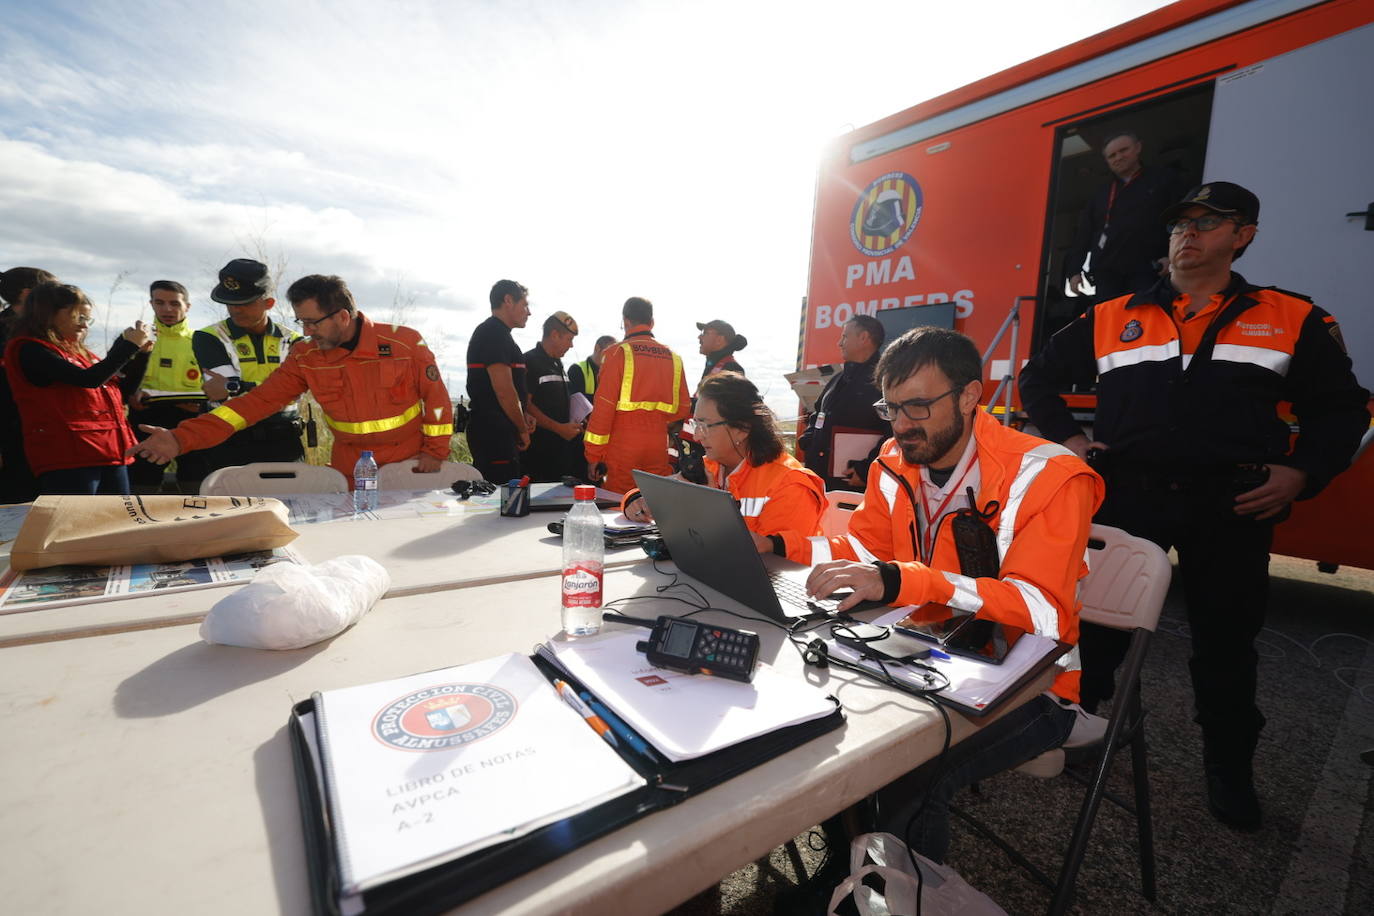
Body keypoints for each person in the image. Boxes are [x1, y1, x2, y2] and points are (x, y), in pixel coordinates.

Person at [1020, 180, 1370, 831]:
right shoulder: (1113, 313)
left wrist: (1302, 472)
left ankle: (1229, 772)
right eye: (1182, 220)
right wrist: (1069, 437)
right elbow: (1036, 375)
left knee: (1226, 648)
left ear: (1244, 236)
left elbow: (1343, 409)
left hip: (1231, 505)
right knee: (1093, 632)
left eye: (1211, 221)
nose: (1190, 231)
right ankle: (1076, 732)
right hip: (1128, 496)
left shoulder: (1292, 317)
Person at [804, 326, 1103, 862]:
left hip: (1036, 683)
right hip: (925, 655)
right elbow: (862, 548)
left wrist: (906, 580)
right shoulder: (894, 459)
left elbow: (1044, 615)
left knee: (901, 772)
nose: (899, 426)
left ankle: (887, 893)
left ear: (969, 396)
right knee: (821, 730)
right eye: (890, 407)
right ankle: (848, 875)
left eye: (917, 406)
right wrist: (795, 555)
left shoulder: (1050, 476)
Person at [133, 274, 454, 484]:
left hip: (412, 466)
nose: (306, 332)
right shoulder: (305, 356)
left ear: (343, 316)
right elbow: (253, 405)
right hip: (349, 471)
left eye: (313, 323)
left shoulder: (404, 344)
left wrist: (435, 452)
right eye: (302, 322)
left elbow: (437, 401)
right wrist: (182, 438)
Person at [623, 371, 826, 562]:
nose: (697, 436)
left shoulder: (791, 485)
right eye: (696, 424)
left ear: (742, 428)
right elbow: (657, 490)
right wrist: (635, 501)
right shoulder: (709, 467)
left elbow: (776, 564)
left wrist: (711, 509)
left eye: (705, 425)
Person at [4, 282, 153, 495]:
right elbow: (89, 379)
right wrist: (127, 347)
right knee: (75, 525)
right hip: (68, 457)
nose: (84, 326)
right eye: (79, 317)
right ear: (48, 314)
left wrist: (140, 355)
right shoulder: (30, 349)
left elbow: (124, 391)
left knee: (117, 522)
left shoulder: (83, 356)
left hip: (110, 451)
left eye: (87, 319)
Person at [193, 259, 305, 472]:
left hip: (285, 442)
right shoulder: (207, 337)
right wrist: (280, 390)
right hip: (229, 440)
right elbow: (222, 394)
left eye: (245, 302)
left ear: (269, 303)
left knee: (287, 505)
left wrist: (236, 386)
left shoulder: (296, 341)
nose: (235, 310)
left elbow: (296, 392)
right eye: (229, 302)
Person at [584, 297, 691, 494]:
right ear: (651, 322)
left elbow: (603, 410)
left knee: (620, 503)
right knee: (655, 501)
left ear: (625, 322)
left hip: (622, 444)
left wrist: (594, 455)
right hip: (658, 442)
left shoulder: (616, 353)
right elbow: (683, 407)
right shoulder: (674, 358)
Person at [1065, 131, 1183, 301]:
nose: (1118, 157)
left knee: (1143, 321)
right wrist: (1074, 271)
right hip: (1106, 273)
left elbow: (1179, 220)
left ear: (1138, 148)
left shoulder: (1164, 180)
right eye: (1112, 155)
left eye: (1123, 150)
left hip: (1148, 269)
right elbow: (1084, 234)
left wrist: (1171, 255)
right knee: (1108, 323)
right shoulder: (1100, 194)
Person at [124, 280, 208, 492]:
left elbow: (219, 384)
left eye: (175, 303)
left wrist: (203, 404)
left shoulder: (203, 341)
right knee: (142, 485)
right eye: (160, 303)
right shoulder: (133, 338)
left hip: (191, 420)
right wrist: (130, 395)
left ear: (187, 307)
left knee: (196, 483)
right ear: (151, 303)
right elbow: (117, 380)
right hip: (146, 419)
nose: (167, 309)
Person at [798, 314, 891, 491]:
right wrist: (809, 440)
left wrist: (866, 470)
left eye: (845, 336)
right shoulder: (837, 379)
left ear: (863, 337)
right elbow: (818, 413)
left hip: (855, 488)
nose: (839, 343)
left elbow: (894, 432)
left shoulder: (886, 381)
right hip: (822, 484)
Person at [466, 279, 533, 483]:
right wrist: (521, 428)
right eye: (525, 305)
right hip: (492, 431)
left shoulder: (500, 335)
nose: (528, 312)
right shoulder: (493, 333)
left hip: (498, 429)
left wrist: (524, 416)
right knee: (499, 501)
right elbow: (504, 390)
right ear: (508, 300)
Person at [0, 266, 57, 503]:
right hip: (11, 437)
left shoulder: (48, 332)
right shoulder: (6, 333)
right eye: (53, 292)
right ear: (27, 294)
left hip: (42, 435)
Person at [523, 311, 585, 482]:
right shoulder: (530, 361)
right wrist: (559, 428)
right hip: (538, 456)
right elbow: (525, 404)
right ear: (555, 335)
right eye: (569, 339)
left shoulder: (558, 364)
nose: (571, 346)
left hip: (560, 455)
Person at [568, 333, 616, 399]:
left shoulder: (612, 375)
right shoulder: (576, 370)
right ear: (597, 348)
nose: (614, 358)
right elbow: (575, 401)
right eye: (611, 353)